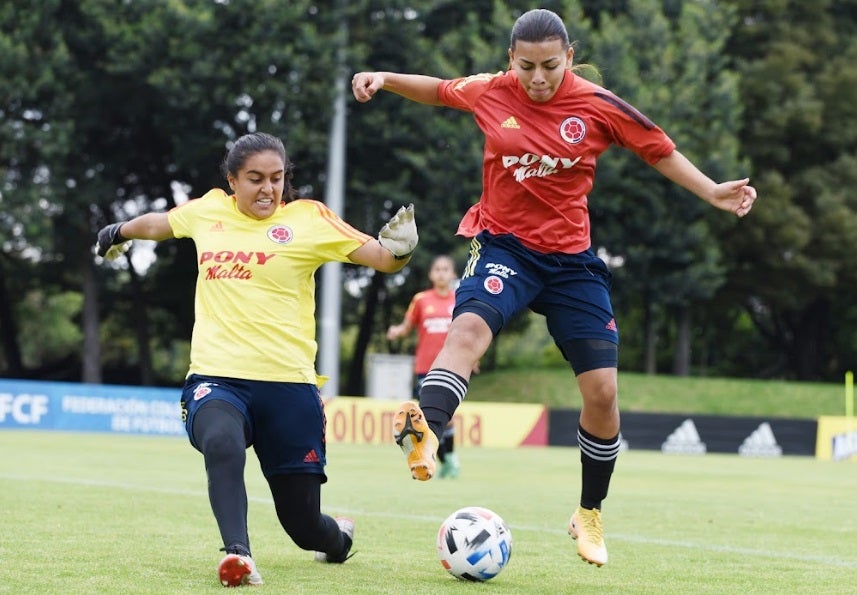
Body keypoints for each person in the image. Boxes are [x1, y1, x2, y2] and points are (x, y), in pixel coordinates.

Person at [351, 8, 756, 568]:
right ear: (510, 61)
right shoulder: (491, 90)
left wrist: (711, 191)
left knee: (603, 393)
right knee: (466, 332)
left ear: (569, 56)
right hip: (504, 248)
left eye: (549, 66)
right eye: (526, 67)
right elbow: (439, 90)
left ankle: (589, 512)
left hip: (571, 263)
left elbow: (657, 148)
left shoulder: (598, 105)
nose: (537, 78)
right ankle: (428, 430)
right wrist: (386, 79)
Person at [94, 132, 418, 587]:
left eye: (276, 178)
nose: (268, 189)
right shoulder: (208, 211)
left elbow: (382, 259)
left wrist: (402, 249)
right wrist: (118, 231)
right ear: (232, 180)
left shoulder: (309, 219)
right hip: (217, 377)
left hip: (289, 387)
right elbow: (159, 224)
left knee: (304, 527)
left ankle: (338, 539)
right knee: (221, 442)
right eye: (255, 179)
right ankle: (238, 555)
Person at [386, 254, 463, 479]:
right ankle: (445, 460)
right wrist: (397, 331)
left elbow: (467, 333)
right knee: (432, 417)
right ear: (431, 274)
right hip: (425, 367)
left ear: (453, 274)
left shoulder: (460, 299)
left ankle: (449, 459)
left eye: (445, 269)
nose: (441, 273)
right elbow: (407, 325)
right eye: (437, 269)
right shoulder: (421, 300)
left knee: (448, 415)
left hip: (453, 366)